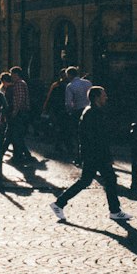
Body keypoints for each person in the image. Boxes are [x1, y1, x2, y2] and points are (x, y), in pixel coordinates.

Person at [51, 86, 131, 224]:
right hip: (96, 155)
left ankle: (60, 203)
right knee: (108, 179)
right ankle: (115, 211)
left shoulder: (91, 112)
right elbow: (98, 138)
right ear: (96, 97)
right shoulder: (94, 113)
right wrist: (107, 157)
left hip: (92, 154)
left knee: (88, 181)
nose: (106, 97)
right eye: (103, 95)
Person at [4, 65, 33, 164]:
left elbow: (19, 100)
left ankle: (20, 156)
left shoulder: (19, 84)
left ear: (16, 74)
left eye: (12, 74)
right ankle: (20, 155)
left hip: (19, 114)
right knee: (16, 135)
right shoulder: (19, 83)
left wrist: (15, 112)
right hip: (20, 113)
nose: (11, 76)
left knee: (16, 135)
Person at [64, 66, 92, 159]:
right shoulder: (88, 83)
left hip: (78, 111)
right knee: (90, 134)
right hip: (90, 109)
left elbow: (68, 103)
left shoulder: (70, 86)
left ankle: (80, 156)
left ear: (69, 75)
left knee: (78, 135)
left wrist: (70, 111)